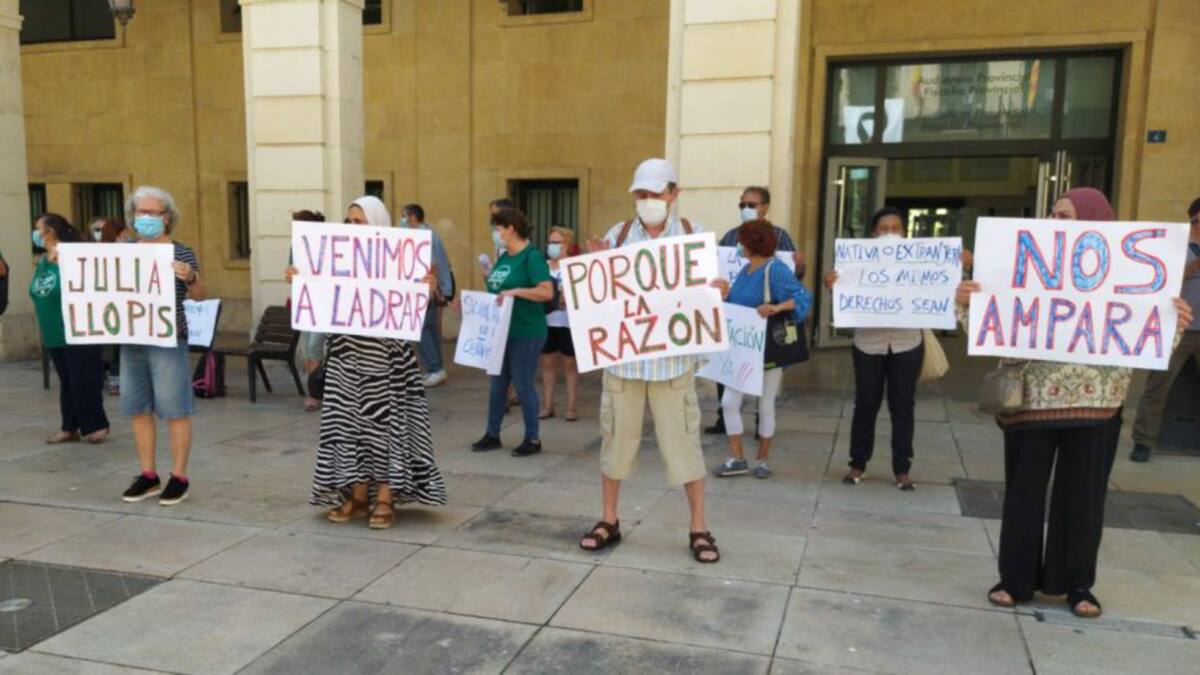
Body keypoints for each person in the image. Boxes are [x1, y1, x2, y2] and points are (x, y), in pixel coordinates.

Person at [958, 187, 1194, 619]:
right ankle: (1015, 580)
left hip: (1098, 404)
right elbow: (987, 321)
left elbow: (1150, 339)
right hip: (1030, 399)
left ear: (1093, 220)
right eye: (1053, 214)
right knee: (1024, 492)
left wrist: (1172, 321)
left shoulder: (1127, 272)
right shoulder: (1024, 266)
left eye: (1065, 215)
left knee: (1084, 497)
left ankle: (1076, 584)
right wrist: (966, 302)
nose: (1055, 221)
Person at [577, 158, 725, 564]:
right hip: (623, 365)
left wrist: (718, 290)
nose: (647, 201)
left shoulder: (694, 239)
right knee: (615, 444)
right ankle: (609, 519)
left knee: (685, 447)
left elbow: (710, 298)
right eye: (641, 194)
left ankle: (699, 526)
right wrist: (593, 267)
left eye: (655, 194)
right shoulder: (618, 236)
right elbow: (595, 299)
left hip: (673, 367)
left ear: (673, 194)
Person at [285, 196, 446, 529]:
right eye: (349, 221)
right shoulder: (337, 258)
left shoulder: (400, 256)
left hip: (387, 357)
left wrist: (427, 287)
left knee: (384, 427)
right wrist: (300, 278)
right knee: (348, 427)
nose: (352, 227)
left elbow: (418, 300)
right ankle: (358, 495)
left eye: (359, 221)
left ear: (376, 223)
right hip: (346, 354)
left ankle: (385, 497)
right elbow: (323, 293)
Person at [824, 206, 923, 491]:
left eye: (895, 228)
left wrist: (960, 264)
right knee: (866, 403)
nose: (889, 234)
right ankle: (858, 463)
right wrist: (832, 284)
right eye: (883, 229)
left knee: (903, 406)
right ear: (872, 234)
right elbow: (844, 291)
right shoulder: (857, 262)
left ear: (904, 234)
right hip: (868, 343)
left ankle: (902, 469)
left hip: (907, 342)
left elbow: (939, 286)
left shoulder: (919, 264)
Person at [119, 186, 206, 506]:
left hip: (169, 340)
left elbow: (200, 295)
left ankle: (179, 477)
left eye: (155, 213)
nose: (149, 218)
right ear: (133, 216)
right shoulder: (123, 250)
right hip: (132, 339)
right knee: (138, 408)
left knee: (175, 409)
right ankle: (148, 475)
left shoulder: (181, 252)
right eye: (142, 212)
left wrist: (191, 277)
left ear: (168, 217)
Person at [714, 219, 812, 479]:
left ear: (750, 243)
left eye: (741, 240)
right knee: (729, 401)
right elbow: (735, 303)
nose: (738, 245)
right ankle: (737, 457)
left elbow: (802, 297)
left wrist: (776, 308)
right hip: (744, 348)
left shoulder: (775, 270)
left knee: (765, 403)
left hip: (768, 347)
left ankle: (762, 460)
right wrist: (724, 294)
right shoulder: (746, 269)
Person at [707, 186, 807, 435]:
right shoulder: (730, 236)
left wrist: (799, 267)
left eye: (751, 205)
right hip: (735, 319)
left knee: (765, 386)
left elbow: (794, 283)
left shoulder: (780, 236)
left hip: (764, 324)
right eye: (742, 205)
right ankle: (726, 421)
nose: (746, 209)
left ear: (765, 207)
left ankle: (760, 428)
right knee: (728, 374)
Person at [471, 207, 554, 457]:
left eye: (498, 228)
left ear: (510, 229)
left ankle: (532, 438)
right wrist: (487, 276)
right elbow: (497, 290)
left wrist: (517, 291)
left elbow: (546, 291)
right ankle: (492, 433)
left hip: (526, 331)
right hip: (501, 331)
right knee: (498, 385)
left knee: (522, 383)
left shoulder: (531, 257)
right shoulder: (505, 257)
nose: (495, 234)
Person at [28, 213, 110, 444]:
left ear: (51, 231)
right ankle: (69, 426)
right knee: (67, 381)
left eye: (38, 229)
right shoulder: (44, 259)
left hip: (79, 329)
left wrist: (65, 264)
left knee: (84, 378)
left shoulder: (75, 255)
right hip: (54, 332)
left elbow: (88, 284)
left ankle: (97, 425)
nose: (35, 234)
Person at [1130, 196, 1200, 462]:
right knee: (1157, 387)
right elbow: (1162, 280)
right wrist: (1195, 265)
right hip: (1176, 329)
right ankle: (1143, 441)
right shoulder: (1176, 245)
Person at [400, 203, 454, 389]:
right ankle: (437, 368)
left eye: (404, 216)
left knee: (420, 331)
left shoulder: (420, 237)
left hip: (423, 289)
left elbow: (432, 264)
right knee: (430, 329)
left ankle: (434, 368)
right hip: (431, 289)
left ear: (412, 217)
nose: (402, 220)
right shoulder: (431, 233)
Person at [539, 226, 579, 422]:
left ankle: (571, 406)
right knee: (547, 362)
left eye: (557, 243)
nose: (552, 246)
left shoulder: (574, 267)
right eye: (550, 242)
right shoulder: (542, 266)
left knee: (570, 363)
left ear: (567, 245)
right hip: (546, 321)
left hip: (568, 323)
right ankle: (547, 405)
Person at [291, 209, 327, 412]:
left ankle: (314, 393)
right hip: (306, 303)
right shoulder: (295, 245)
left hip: (324, 304)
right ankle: (314, 390)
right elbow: (293, 269)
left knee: (315, 345)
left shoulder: (326, 244)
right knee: (308, 347)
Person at [92, 217, 129, 395]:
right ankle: (117, 381)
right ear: (122, 233)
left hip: (102, 306)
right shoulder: (127, 251)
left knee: (110, 346)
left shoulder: (95, 252)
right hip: (121, 306)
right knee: (118, 347)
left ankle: (110, 380)